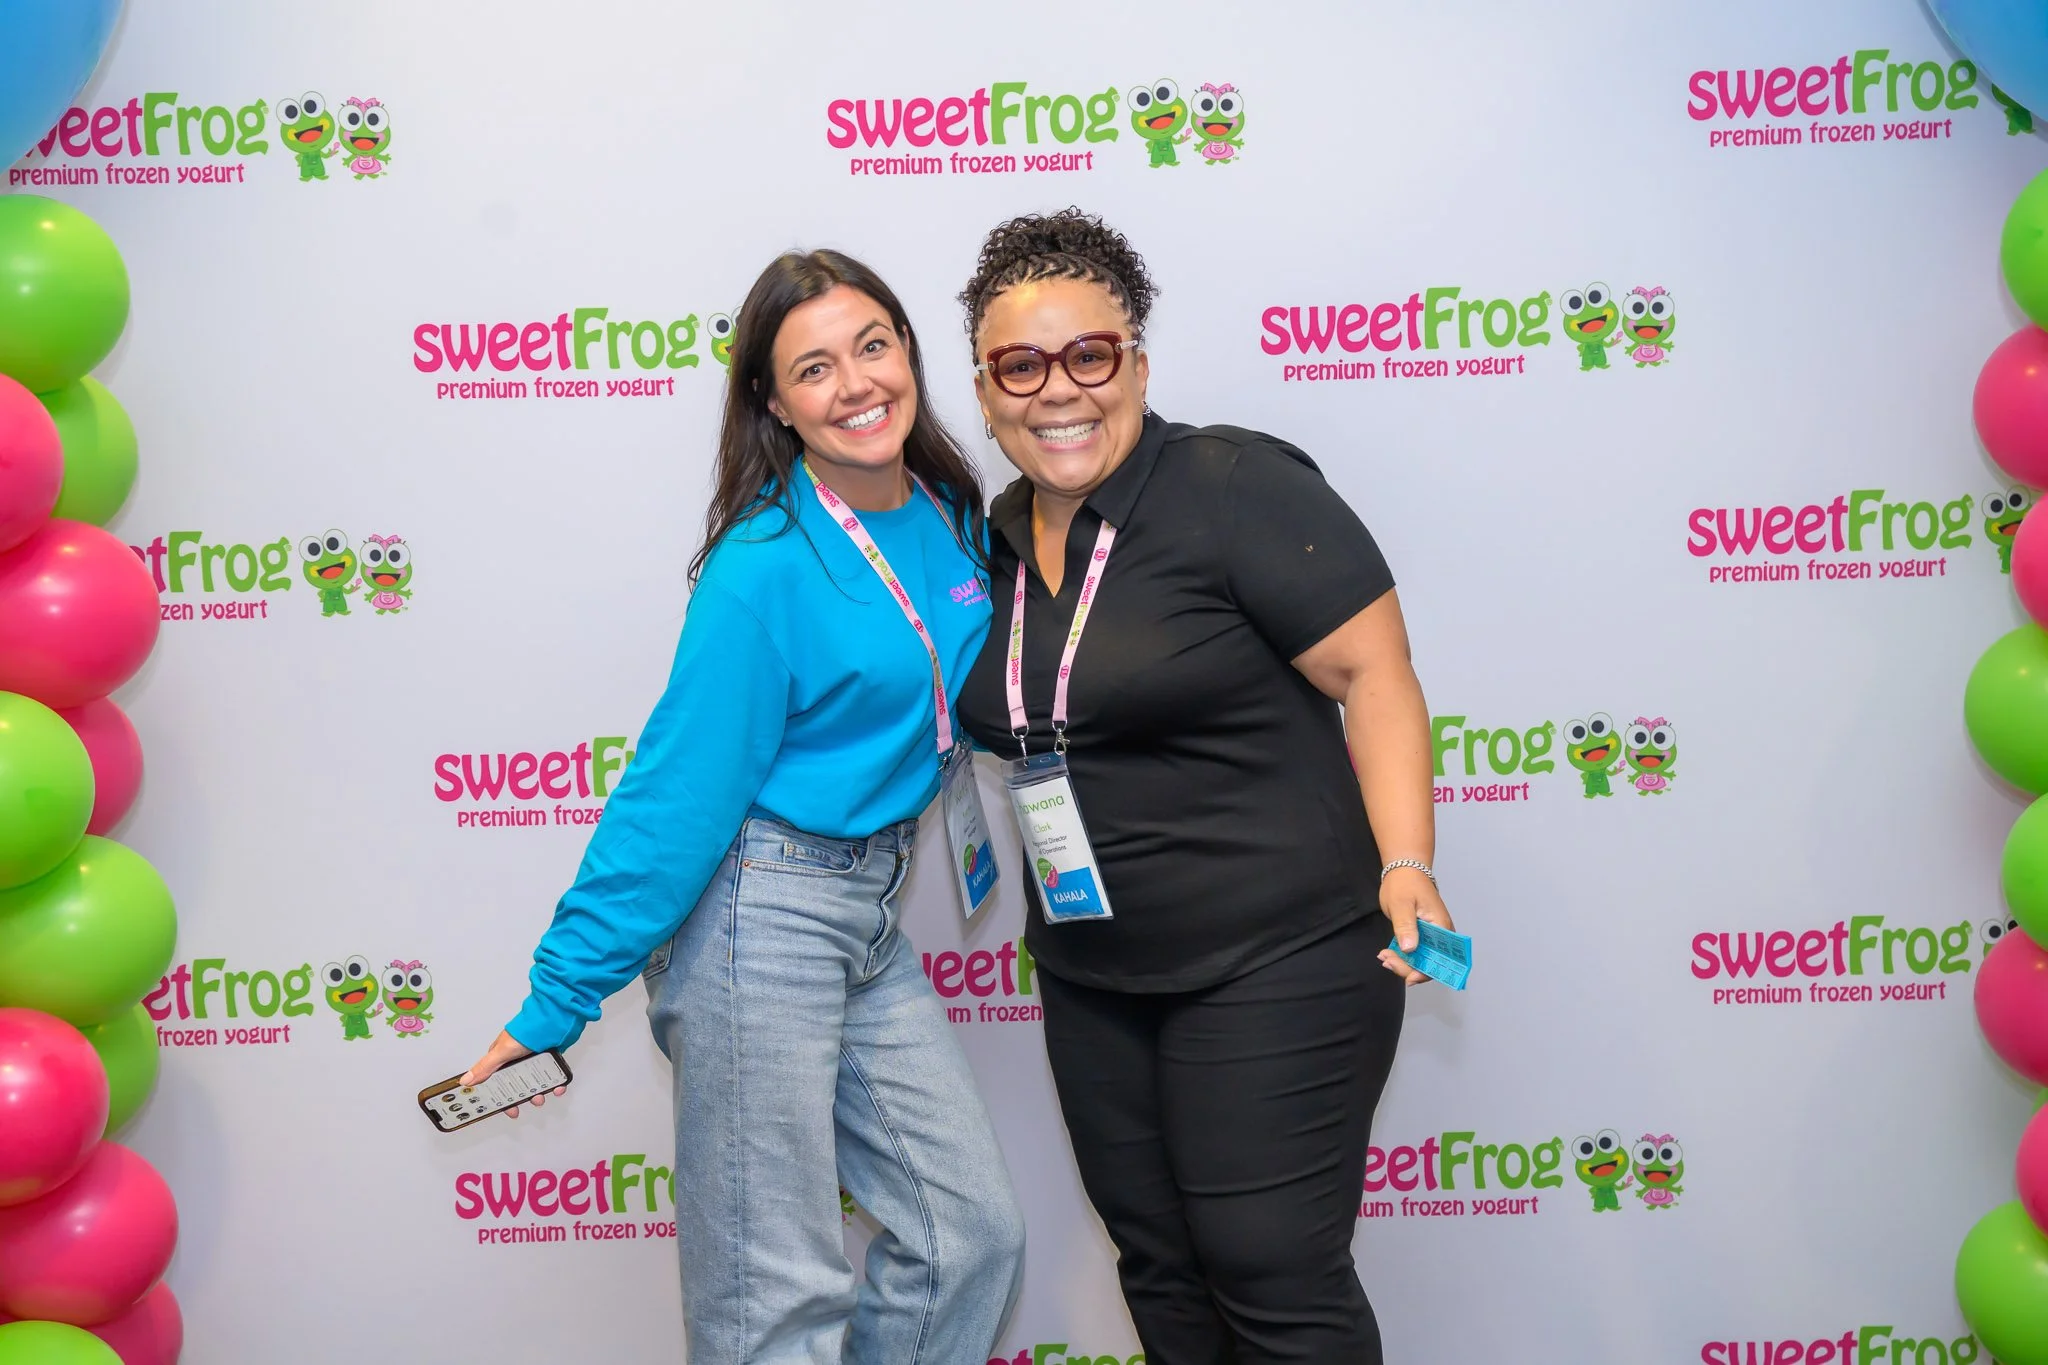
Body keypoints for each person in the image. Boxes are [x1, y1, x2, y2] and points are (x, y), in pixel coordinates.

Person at [462, 249, 1025, 1365]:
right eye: (813, 368)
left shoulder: (952, 509)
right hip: (756, 917)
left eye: (873, 345)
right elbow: (674, 795)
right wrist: (557, 999)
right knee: (775, 1296)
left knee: (967, 1236)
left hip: (868, 909)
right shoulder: (760, 566)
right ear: (772, 402)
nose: (857, 383)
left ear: (910, 351)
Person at [952, 209, 1450, 1365]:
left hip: (1279, 959)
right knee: (1163, 1274)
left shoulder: (1235, 486)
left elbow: (1374, 675)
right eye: (1018, 366)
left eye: (1090, 354)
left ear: (1135, 360)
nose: (1056, 391)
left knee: (1270, 1272)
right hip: (1092, 974)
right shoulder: (995, 535)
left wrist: (1408, 863)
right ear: (983, 393)